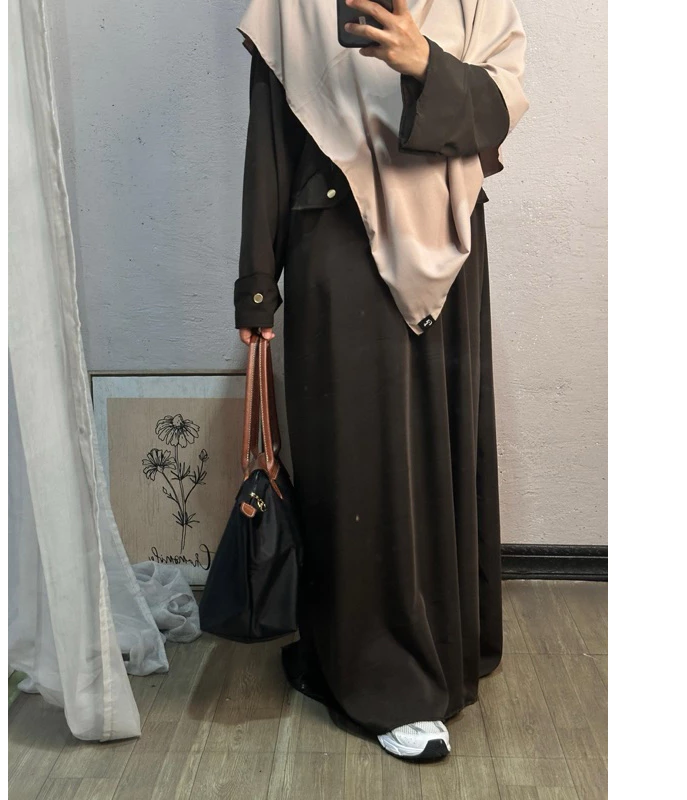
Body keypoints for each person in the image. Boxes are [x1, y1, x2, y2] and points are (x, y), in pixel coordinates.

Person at [233, 0, 528, 761]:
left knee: (438, 445)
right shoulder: (292, 6)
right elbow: (270, 137)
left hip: (448, 247)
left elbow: (498, 111)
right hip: (335, 241)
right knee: (361, 468)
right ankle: (387, 681)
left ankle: (446, 647)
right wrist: (257, 284)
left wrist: (424, 62)